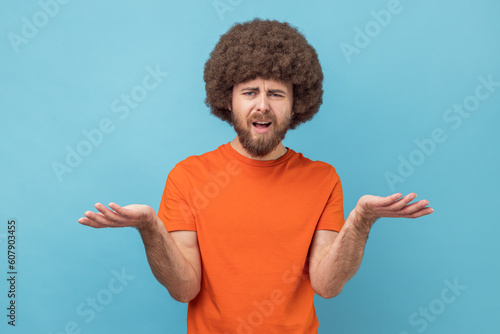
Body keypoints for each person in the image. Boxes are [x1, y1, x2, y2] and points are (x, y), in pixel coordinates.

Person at [78, 18, 433, 333]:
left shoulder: (323, 179)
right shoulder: (188, 176)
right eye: (250, 92)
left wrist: (361, 220)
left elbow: (327, 285)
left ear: (295, 104)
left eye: (276, 94)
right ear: (228, 100)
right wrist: (150, 227)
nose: (262, 105)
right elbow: (184, 288)